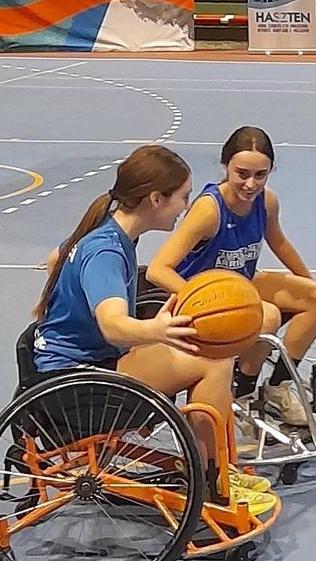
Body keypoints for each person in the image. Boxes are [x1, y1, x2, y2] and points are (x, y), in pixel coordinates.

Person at [33, 145, 276, 513]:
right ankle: (211, 479)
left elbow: (55, 258)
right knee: (214, 361)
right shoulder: (107, 251)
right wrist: (158, 330)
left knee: (210, 352)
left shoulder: (110, 232)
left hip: (76, 363)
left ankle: (214, 466)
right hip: (77, 383)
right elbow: (113, 327)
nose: (186, 206)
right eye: (183, 197)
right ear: (156, 199)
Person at [148, 127, 316, 427]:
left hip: (241, 283)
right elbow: (158, 269)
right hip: (204, 295)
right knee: (267, 315)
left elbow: (279, 241)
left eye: (260, 175)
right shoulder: (209, 210)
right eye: (242, 173)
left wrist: (307, 281)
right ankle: (242, 394)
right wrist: (200, 297)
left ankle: (277, 388)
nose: (251, 183)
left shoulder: (266, 201)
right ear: (225, 167)